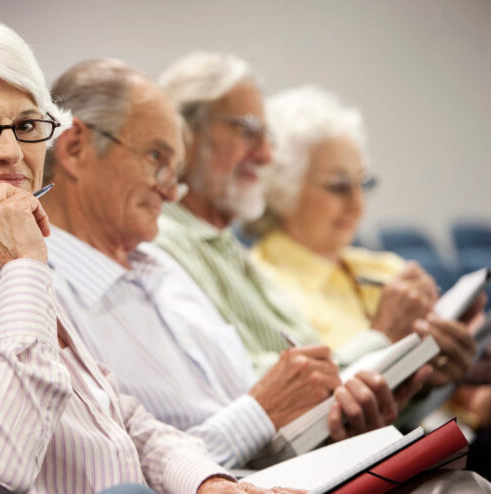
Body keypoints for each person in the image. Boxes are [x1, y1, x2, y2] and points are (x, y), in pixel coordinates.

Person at [0, 20, 279, 494]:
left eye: (27, 125)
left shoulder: (4, 266)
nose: (12, 152)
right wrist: (25, 269)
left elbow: (123, 419)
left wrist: (208, 483)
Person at [41, 58, 425, 470]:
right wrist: (262, 413)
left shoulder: (158, 266)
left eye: (175, 168)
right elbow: (122, 472)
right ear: (76, 148)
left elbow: (265, 417)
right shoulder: (42, 296)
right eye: (156, 157)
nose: (171, 193)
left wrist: (335, 423)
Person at [154, 52, 479, 382]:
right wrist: (383, 339)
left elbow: (330, 395)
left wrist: (424, 380)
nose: (266, 155)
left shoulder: (226, 249)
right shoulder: (164, 243)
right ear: (184, 133)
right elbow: (259, 391)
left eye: (363, 184)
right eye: (248, 129)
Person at [250, 85, 484, 388]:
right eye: (338, 186)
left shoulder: (388, 269)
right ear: (282, 187)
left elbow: (451, 395)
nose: (358, 205)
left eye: (365, 184)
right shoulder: (263, 285)